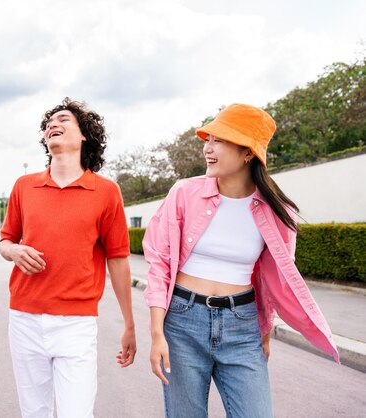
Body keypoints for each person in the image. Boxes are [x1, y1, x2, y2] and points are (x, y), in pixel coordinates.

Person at [143, 103, 339, 418]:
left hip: (242, 325)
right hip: (182, 322)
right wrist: (156, 334)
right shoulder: (183, 193)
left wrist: (263, 333)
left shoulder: (278, 212)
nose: (207, 148)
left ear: (248, 153)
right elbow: (159, 264)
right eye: (208, 140)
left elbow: (273, 282)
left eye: (218, 140)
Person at [0, 98, 137, 417]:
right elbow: (5, 241)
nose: (53, 125)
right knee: (34, 413)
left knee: (77, 412)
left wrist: (130, 323)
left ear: (85, 135)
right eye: (49, 123)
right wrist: (15, 251)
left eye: (64, 119)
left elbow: (118, 258)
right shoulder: (23, 186)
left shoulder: (106, 192)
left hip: (77, 322)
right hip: (24, 318)